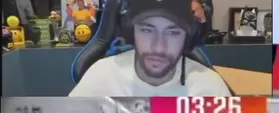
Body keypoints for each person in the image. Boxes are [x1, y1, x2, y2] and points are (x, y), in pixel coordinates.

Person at [68, 0, 231, 97]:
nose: (158, 47)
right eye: (147, 30)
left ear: (187, 39)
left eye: (173, 32)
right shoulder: (100, 79)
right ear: (131, 33)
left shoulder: (210, 88)